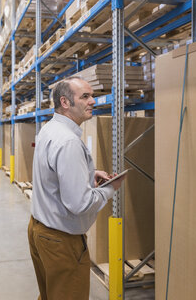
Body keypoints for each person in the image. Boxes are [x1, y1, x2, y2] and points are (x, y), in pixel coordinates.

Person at [28, 77, 126, 300]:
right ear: (65, 102)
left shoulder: (49, 129)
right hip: (61, 240)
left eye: (92, 95)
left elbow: (52, 172)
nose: (93, 101)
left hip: (39, 231)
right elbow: (79, 204)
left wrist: (88, 174)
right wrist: (111, 188)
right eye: (85, 96)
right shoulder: (68, 141)